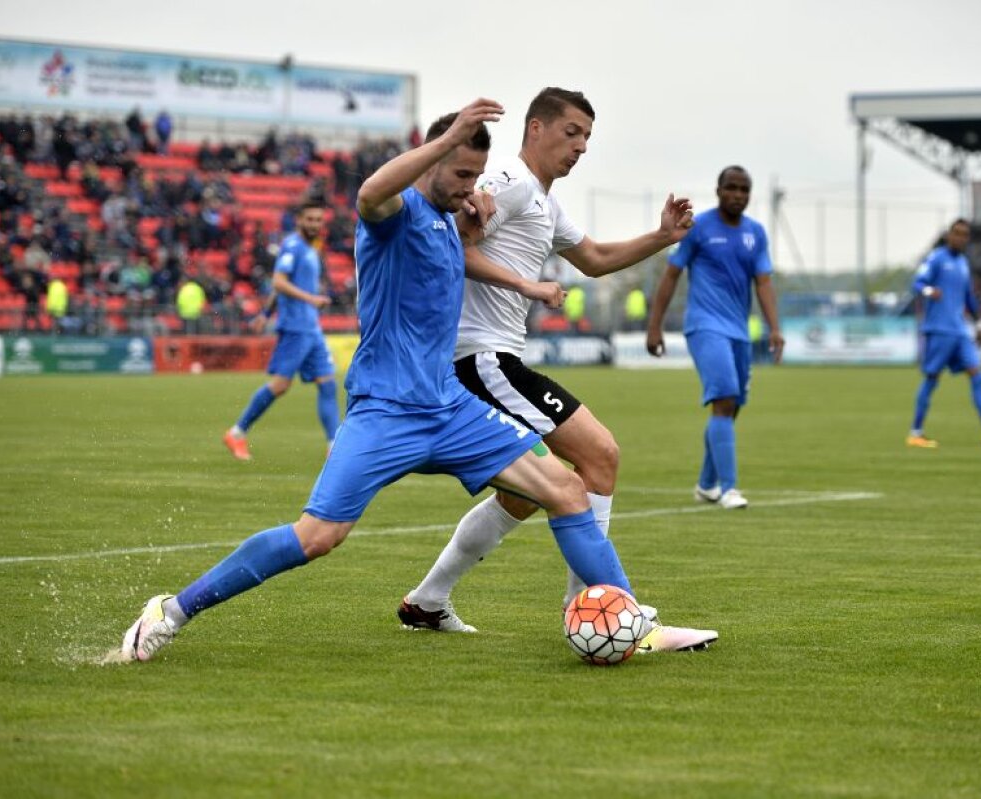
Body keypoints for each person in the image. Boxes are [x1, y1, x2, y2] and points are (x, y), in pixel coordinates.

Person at [120, 98, 653, 663]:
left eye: (476, 176)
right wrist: (445, 146)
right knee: (317, 537)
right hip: (385, 411)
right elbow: (369, 192)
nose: (471, 188)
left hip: (450, 409)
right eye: (460, 174)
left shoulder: (452, 222)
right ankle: (172, 610)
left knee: (566, 492)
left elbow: (474, 256)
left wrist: (520, 279)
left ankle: (633, 621)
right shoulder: (391, 217)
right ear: (429, 161)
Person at [399, 87, 715, 653]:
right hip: (482, 359)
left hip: (495, 360)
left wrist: (662, 237)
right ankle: (600, 611)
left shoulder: (545, 201)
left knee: (524, 496)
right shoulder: (510, 184)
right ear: (536, 129)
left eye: (589, 137)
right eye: (572, 133)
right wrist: (518, 273)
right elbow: (455, 246)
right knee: (599, 455)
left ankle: (427, 601)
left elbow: (593, 260)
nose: (582, 147)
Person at [645, 165, 784, 510]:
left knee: (731, 407)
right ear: (718, 190)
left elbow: (764, 282)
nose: (738, 195)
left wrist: (775, 328)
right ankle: (729, 489)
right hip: (705, 326)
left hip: (738, 330)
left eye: (744, 189)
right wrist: (654, 325)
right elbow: (671, 275)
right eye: (731, 188)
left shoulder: (756, 233)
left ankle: (707, 484)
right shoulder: (698, 228)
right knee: (724, 400)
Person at [222, 198, 340, 460]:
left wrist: (265, 313)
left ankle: (334, 446)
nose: (314, 224)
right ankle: (237, 432)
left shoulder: (312, 248)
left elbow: (278, 287)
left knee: (328, 384)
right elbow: (278, 281)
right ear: (299, 220)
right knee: (280, 385)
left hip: (311, 327)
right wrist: (311, 299)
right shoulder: (293, 246)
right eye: (309, 219)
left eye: (319, 220)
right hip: (296, 327)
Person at [906, 219, 981, 449]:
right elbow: (917, 283)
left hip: (959, 330)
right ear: (949, 235)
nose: (960, 238)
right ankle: (915, 433)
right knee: (931, 379)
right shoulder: (937, 258)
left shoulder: (963, 264)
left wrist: (979, 326)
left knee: (978, 375)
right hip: (939, 330)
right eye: (956, 233)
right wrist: (928, 290)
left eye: (965, 234)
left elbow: (969, 298)